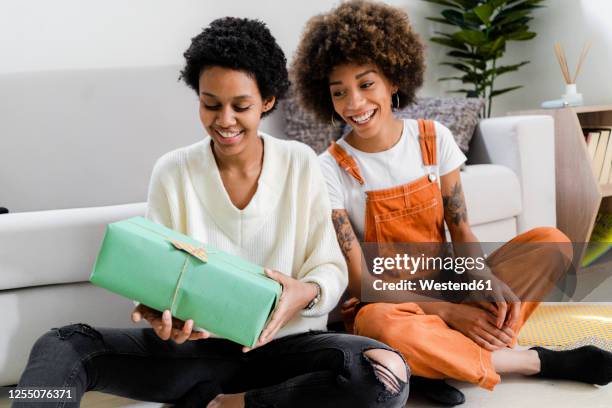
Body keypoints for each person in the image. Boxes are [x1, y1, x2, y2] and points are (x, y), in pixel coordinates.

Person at [14, 17, 410, 408]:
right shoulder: (173, 170)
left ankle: (237, 405)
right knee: (61, 345)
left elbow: (329, 267)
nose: (224, 121)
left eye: (241, 106)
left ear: (268, 101)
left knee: (384, 371)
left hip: (286, 352)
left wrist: (303, 293)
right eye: (210, 105)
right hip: (195, 355)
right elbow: (157, 275)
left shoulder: (299, 162)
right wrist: (161, 315)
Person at [291, 0, 612, 405]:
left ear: (393, 78)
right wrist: (448, 314)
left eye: (366, 84)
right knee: (378, 325)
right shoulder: (328, 168)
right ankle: (527, 361)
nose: (354, 103)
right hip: (390, 304)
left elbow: (460, 230)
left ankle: (431, 363)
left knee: (552, 242)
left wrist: (484, 282)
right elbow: (358, 281)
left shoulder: (432, 138)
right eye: (339, 92)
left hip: (450, 282)